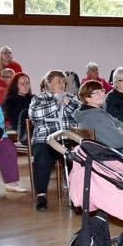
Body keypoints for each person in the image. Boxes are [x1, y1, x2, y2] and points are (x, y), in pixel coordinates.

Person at [29, 70, 81, 210]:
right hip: (45, 140)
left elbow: (81, 114)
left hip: (68, 139)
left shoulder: (71, 97)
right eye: (58, 81)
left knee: (81, 157)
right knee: (42, 157)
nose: (62, 84)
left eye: (64, 81)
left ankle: (78, 196)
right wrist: (57, 102)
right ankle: (41, 196)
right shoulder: (39, 98)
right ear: (48, 83)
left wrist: (68, 104)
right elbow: (35, 114)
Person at [75, 81, 123, 154]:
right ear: (88, 99)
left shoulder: (86, 112)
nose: (102, 94)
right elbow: (119, 142)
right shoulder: (96, 116)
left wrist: (120, 129)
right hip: (107, 155)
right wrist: (120, 130)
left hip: (98, 152)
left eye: (102, 90)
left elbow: (119, 123)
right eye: (97, 92)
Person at [2, 72, 33, 137]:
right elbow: (18, 120)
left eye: (27, 83)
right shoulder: (10, 101)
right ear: (16, 85)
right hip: (24, 132)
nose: (26, 86)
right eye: (22, 84)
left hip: (34, 128)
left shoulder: (33, 98)